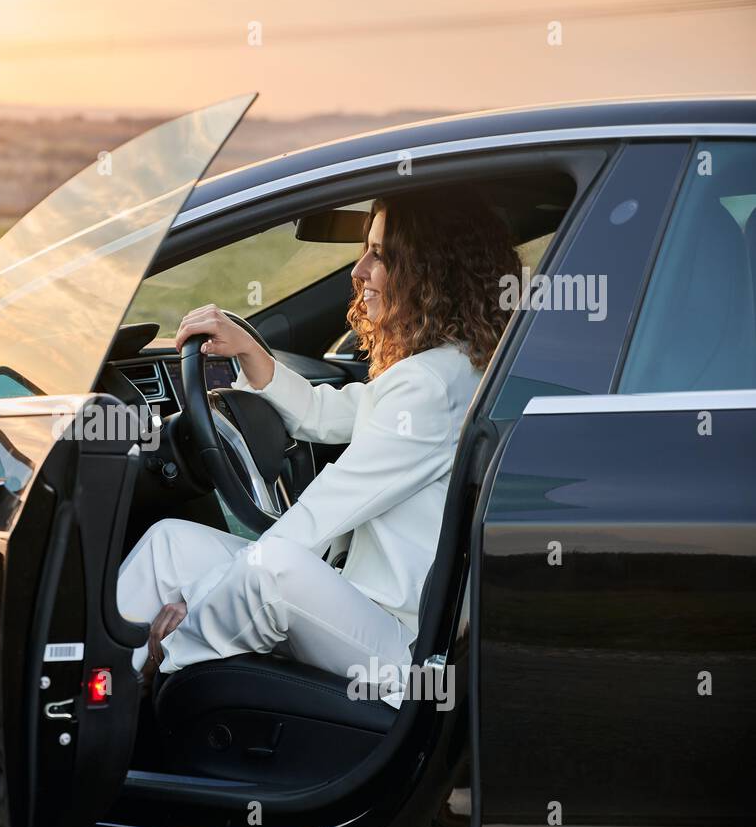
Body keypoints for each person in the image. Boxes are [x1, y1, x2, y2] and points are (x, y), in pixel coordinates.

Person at [116, 188, 521, 707]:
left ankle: (147, 671)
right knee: (169, 544)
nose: (360, 271)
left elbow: (318, 516)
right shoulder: (452, 363)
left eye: (381, 255)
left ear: (432, 275)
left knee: (271, 572)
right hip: (378, 608)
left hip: (402, 646)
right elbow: (329, 413)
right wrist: (252, 354)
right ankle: (84, 696)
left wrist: (194, 605)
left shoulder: (431, 386)